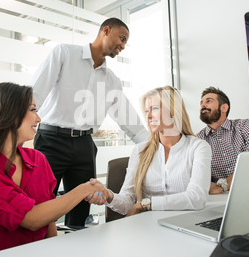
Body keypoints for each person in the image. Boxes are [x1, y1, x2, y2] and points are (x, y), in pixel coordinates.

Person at [0, 83, 106, 257]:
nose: (38, 119)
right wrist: (85, 189)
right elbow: (32, 219)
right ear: (8, 114)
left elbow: (48, 217)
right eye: (32, 110)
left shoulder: (38, 159)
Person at [31, 18, 149, 226]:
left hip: (84, 145)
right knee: (41, 205)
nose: (122, 45)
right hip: (51, 141)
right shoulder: (64, 54)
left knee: (80, 212)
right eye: (121, 38)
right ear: (106, 30)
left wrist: (155, 144)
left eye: (125, 42)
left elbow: (129, 120)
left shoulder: (111, 80)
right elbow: (36, 93)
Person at [90, 85, 212, 216]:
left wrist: (146, 204)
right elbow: (127, 203)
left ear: (173, 111)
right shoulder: (139, 150)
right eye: (146, 111)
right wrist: (109, 196)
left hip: (184, 224)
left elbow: (197, 198)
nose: (148, 116)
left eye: (154, 108)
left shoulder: (198, 147)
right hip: (148, 226)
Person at [197, 86, 249, 194]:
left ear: (224, 108)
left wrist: (223, 185)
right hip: (216, 199)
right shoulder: (198, 139)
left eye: (209, 101)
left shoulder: (244, 126)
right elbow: (195, 174)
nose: (203, 105)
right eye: (201, 103)